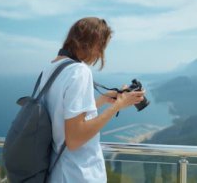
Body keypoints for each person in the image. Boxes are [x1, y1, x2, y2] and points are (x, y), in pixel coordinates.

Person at [38, 17, 145, 182]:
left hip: (57, 173)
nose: (100, 54)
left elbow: (63, 117)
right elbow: (74, 139)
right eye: (101, 47)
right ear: (93, 43)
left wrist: (101, 100)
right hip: (78, 174)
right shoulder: (79, 71)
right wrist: (116, 107)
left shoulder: (50, 69)